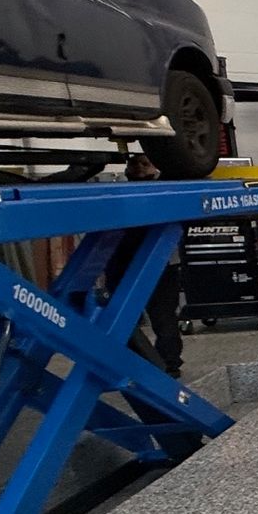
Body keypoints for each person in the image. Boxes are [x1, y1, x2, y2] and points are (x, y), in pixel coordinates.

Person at [106, 154, 185, 376]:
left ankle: (169, 364)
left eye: (145, 163)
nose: (139, 168)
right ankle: (129, 363)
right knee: (121, 317)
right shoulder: (117, 194)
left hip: (161, 265)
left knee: (164, 318)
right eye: (134, 163)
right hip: (121, 264)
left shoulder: (167, 191)